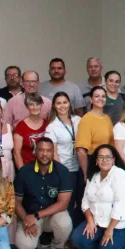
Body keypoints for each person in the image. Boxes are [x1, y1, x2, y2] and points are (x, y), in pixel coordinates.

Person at [70, 144, 125, 249]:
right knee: (78, 239)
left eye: (108, 157)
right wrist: (90, 221)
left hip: (120, 225)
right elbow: (85, 201)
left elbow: (121, 205)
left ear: (114, 160)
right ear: (96, 160)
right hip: (99, 223)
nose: (104, 160)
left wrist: (110, 229)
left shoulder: (119, 175)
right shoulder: (94, 176)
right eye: (101, 157)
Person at [14, 137, 73, 249]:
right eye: (41, 150)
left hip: (53, 215)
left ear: (53, 152)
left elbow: (63, 204)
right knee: (24, 245)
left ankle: (57, 248)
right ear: (35, 151)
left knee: (65, 223)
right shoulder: (24, 172)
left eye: (48, 150)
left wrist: (36, 216)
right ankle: (34, 245)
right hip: (30, 216)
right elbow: (16, 201)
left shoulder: (62, 171)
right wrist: (25, 219)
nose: (45, 154)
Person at [46, 92, 84, 226]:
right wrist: (62, 172)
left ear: (70, 104)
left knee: (82, 201)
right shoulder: (52, 126)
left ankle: (78, 230)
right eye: (58, 103)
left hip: (81, 167)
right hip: (66, 169)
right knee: (67, 202)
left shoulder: (78, 120)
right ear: (54, 106)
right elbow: (53, 152)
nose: (62, 106)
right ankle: (66, 233)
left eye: (64, 102)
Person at [76, 86, 114, 177]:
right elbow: (81, 150)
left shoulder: (107, 118)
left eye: (103, 96)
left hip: (106, 163)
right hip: (92, 164)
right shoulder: (86, 119)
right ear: (91, 99)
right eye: (97, 96)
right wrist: (86, 174)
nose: (100, 99)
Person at [12, 93, 49, 169]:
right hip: (28, 168)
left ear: (42, 105)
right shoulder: (21, 126)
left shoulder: (47, 124)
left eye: (37, 104)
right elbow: (16, 153)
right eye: (31, 104)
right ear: (27, 107)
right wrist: (23, 172)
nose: (35, 107)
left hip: (46, 168)